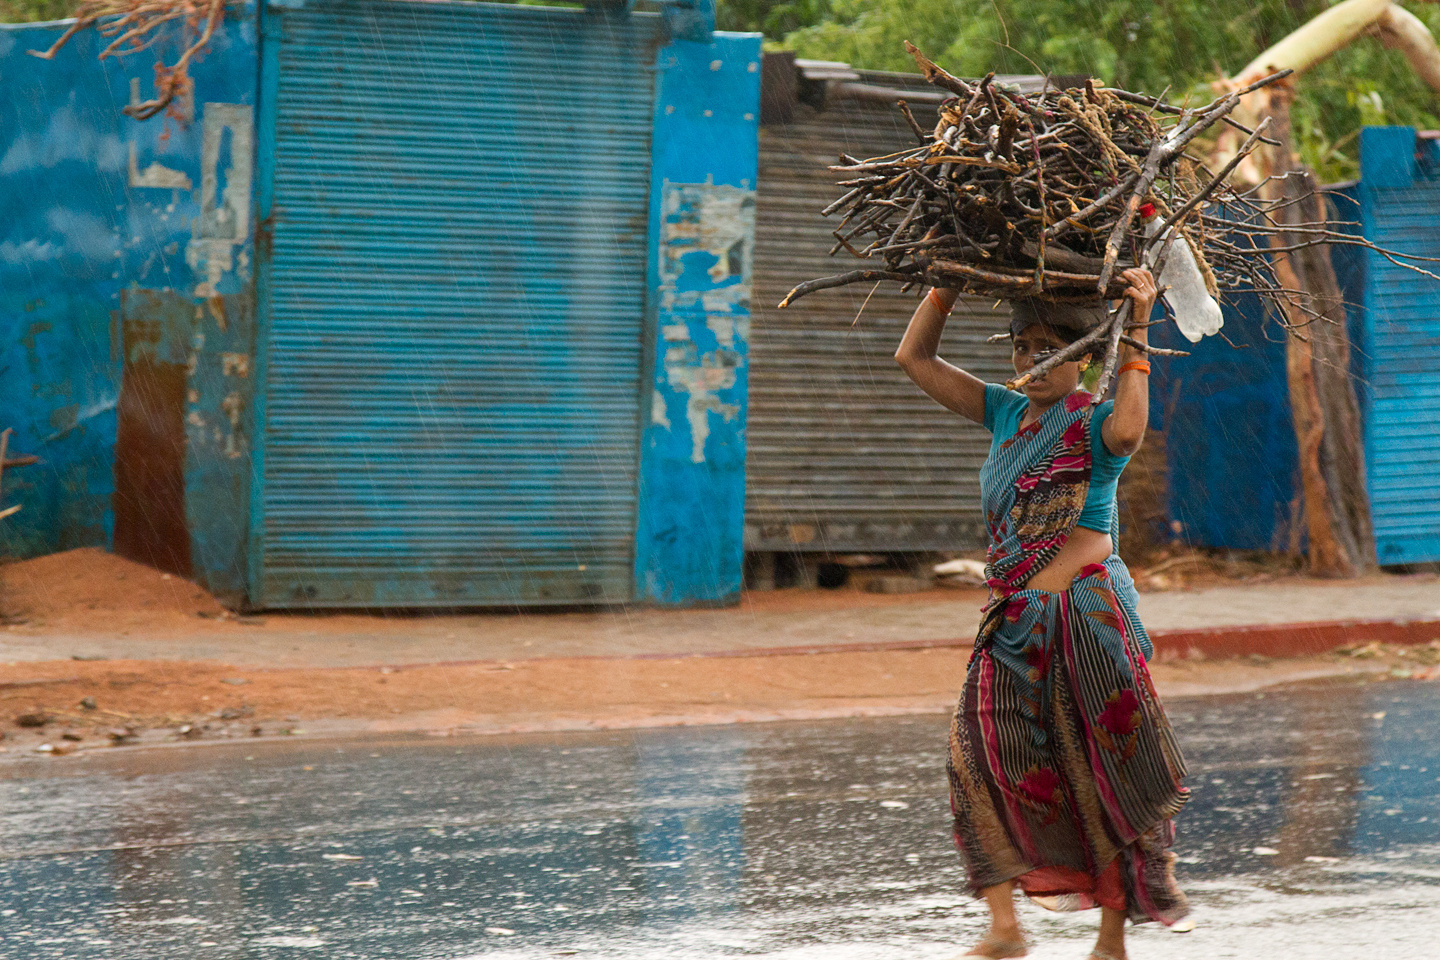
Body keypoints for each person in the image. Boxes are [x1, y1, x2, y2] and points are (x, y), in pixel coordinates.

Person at [894, 268, 1189, 960]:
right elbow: (914, 358)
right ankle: (1004, 929)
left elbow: (1131, 429)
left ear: (1085, 354)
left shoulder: (1090, 423)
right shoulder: (1002, 411)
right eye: (1024, 346)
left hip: (1085, 620)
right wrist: (947, 286)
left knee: (1101, 770)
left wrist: (1139, 324)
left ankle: (1111, 939)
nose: (1034, 360)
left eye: (1051, 347)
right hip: (1010, 619)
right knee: (977, 759)